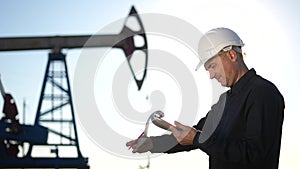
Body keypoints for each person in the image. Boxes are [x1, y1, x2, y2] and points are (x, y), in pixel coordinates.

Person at [126, 27, 285, 169]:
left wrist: (198, 139)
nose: (211, 75)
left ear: (231, 55)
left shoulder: (263, 93)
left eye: (213, 66)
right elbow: (194, 136)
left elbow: (254, 155)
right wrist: (152, 144)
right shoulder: (224, 101)